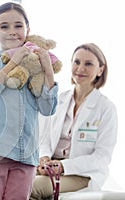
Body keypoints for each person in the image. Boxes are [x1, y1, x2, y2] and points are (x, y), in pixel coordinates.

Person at [0, 2, 59, 200]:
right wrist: (13, 63)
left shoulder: (35, 68)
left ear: (28, 29)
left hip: (25, 155)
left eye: (18, 25)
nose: (12, 31)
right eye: (4, 26)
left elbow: (48, 108)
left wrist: (48, 70)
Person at [30, 43, 118, 200]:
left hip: (80, 174)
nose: (80, 68)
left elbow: (102, 157)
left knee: (32, 187)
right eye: (77, 62)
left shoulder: (106, 108)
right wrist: (44, 158)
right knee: (10, 179)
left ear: (100, 70)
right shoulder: (59, 99)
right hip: (51, 166)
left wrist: (64, 166)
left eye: (88, 64)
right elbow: (45, 140)